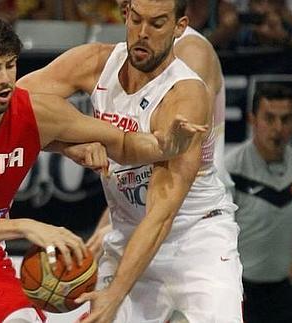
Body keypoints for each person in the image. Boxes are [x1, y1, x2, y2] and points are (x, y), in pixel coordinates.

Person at [0, 15, 206, 323]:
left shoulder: (35, 112)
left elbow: (126, 143)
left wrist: (168, 145)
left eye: (11, 66)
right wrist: (25, 226)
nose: (5, 80)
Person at [18, 0, 242, 321]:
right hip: (127, 234)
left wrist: (114, 295)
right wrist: (72, 144)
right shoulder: (94, 61)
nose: (142, 33)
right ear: (125, 14)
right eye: (136, 20)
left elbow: (161, 216)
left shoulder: (186, 96)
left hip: (195, 238)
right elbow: (16, 107)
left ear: (180, 27)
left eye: (157, 24)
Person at [50, 0, 235, 259]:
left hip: (192, 213)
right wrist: (69, 147)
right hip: (144, 202)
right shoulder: (124, 56)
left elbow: (167, 161)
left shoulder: (190, 51)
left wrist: (112, 226)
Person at [225, 83, 292, 323]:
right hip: (238, 290)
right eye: (270, 118)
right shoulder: (229, 170)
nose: (278, 128)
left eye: (286, 119)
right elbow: (216, 237)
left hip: (280, 287)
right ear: (252, 120)